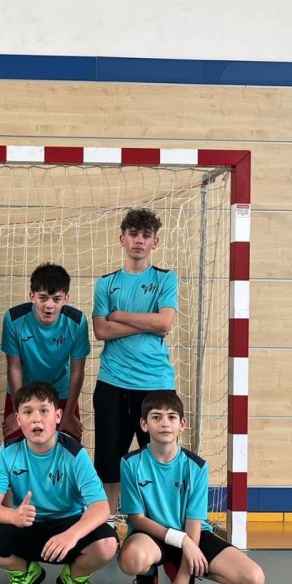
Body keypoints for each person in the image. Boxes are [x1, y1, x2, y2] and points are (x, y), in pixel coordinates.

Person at [0, 382, 118, 584]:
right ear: (18, 419)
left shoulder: (74, 453)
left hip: (67, 525)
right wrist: (13, 516)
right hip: (26, 523)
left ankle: (74, 578)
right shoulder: (9, 451)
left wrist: (72, 534)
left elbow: (101, 507)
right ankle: (24, 572)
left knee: (107, 545)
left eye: (44, 410)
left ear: (58, 416)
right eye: (27, 412)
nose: (36, 418)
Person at [117, 390, 265, 584]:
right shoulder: (130, 463)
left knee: (254, 579)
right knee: (131, 559)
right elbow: (137, 519)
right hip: (152, 535)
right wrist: (181, 541)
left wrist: (183, 579)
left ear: (182, 424)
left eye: (171, 417)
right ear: (144, 424)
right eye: (156, 417)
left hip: (192, 534)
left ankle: (182, 567)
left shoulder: (197, 467)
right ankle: (147, 578)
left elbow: (194, 525)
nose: (165, 423)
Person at [91, 208, 178, 518]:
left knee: (158, 460)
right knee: (109, 464)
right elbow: (101, 330)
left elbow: (165, 323)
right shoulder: (106, 283)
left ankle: (158, 525)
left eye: (146, 235)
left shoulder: (165, 278)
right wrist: (147, 322)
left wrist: (120, 316)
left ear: (155, 242)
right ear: (122, 239)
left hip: (155, 385)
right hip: (112, 384)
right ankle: (107, 525)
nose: (139, 241)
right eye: (133, 234)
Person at [0, 262, 90, 442]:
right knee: (15, 446)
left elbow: (77, 370)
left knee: (68, 447)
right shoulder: (14, 319)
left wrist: (68, 415)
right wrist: (18, 410)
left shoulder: (77, 321)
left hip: (61, 393)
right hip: (22, 393)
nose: (49, 305)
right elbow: (14, 367)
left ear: (66, 298)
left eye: (56, 299)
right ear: (32, 296)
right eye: (43, 298)